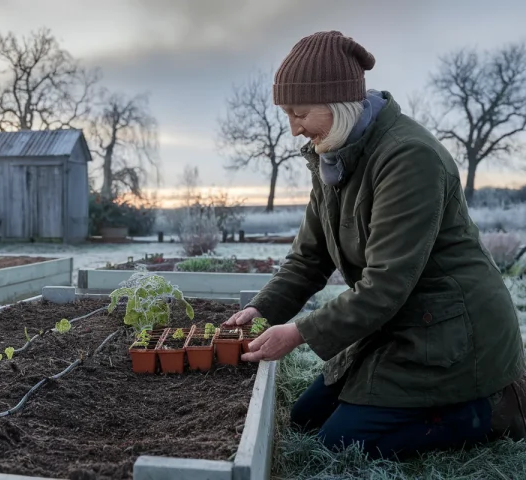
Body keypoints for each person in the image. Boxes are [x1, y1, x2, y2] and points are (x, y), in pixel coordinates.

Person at [223, 30, 526, 460]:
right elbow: (309, 257)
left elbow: (386, 285)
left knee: (339, 444)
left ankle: (488, 409)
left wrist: (298, 333)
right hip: (399, 322)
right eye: (287, 115)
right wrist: (262, 309)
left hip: (454, 331)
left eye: (300, 113)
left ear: (337, 104)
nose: (293, 129)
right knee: (306, 419)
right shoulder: (333, 156)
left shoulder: (408, 158)